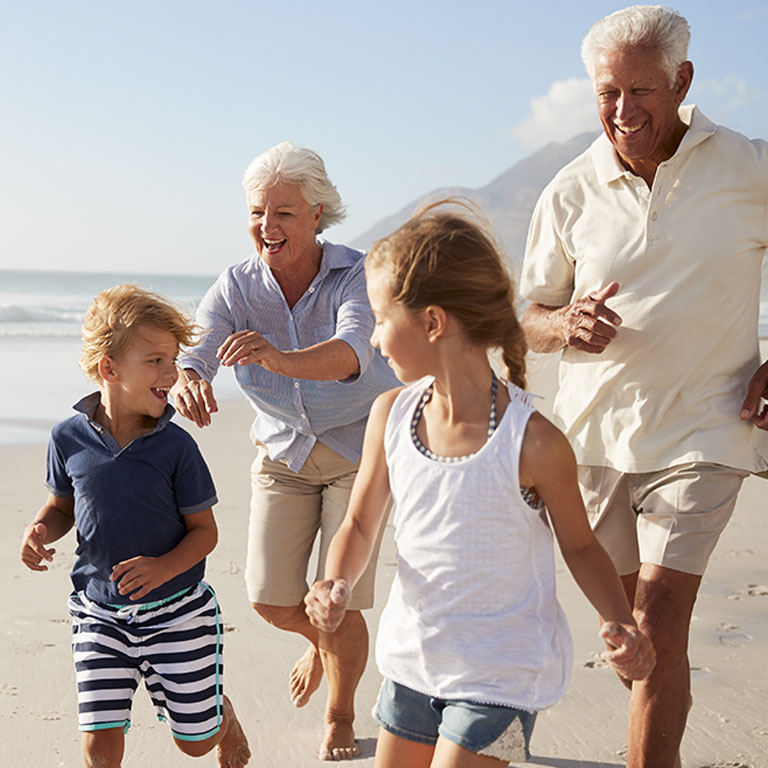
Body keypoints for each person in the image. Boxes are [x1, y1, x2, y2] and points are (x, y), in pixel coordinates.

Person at [304, 200, 655, 768]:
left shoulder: (533, 442)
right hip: (414, 659)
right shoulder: (390, 414)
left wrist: (619, 620)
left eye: (380, 319)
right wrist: (335, 581)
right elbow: (361, 521)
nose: (372, 338)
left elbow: (581, 545)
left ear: (433, 322)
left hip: (502, 672)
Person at [519, 5, 768, 767]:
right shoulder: (568, 190)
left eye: (641, 91)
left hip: (706, 428)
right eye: (606, 93)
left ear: (683, 81)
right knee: (636, 639)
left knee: (657, 621)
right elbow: (524, 315)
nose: (622, 111)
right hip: (593, 439)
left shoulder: (747, 166)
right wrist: (564, 326)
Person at [171, 141, 400, 760]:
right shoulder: (236, 286)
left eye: (284, 214)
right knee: (272, 599)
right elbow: (195, 348)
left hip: (361, 453)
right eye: (257, 213)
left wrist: (276, 357)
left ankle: (341, 715)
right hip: (284, 456)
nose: (267, 228)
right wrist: (189, 377)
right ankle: (321, 641)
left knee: (335, 596)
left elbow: (355, 350)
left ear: (318, 213)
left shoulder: (356, 273)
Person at [19, 285, 250, 768]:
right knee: (99, 748)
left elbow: (205, 533)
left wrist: (164, 567)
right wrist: (40, 529)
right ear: (110, 368)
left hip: (179, 612)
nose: (172, 374)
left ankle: (219, 717)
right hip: (99, 612)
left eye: (174, 360)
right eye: (157, 361)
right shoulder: (67, 438)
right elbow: (62, 507)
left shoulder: (176, 447)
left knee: (195, 742)